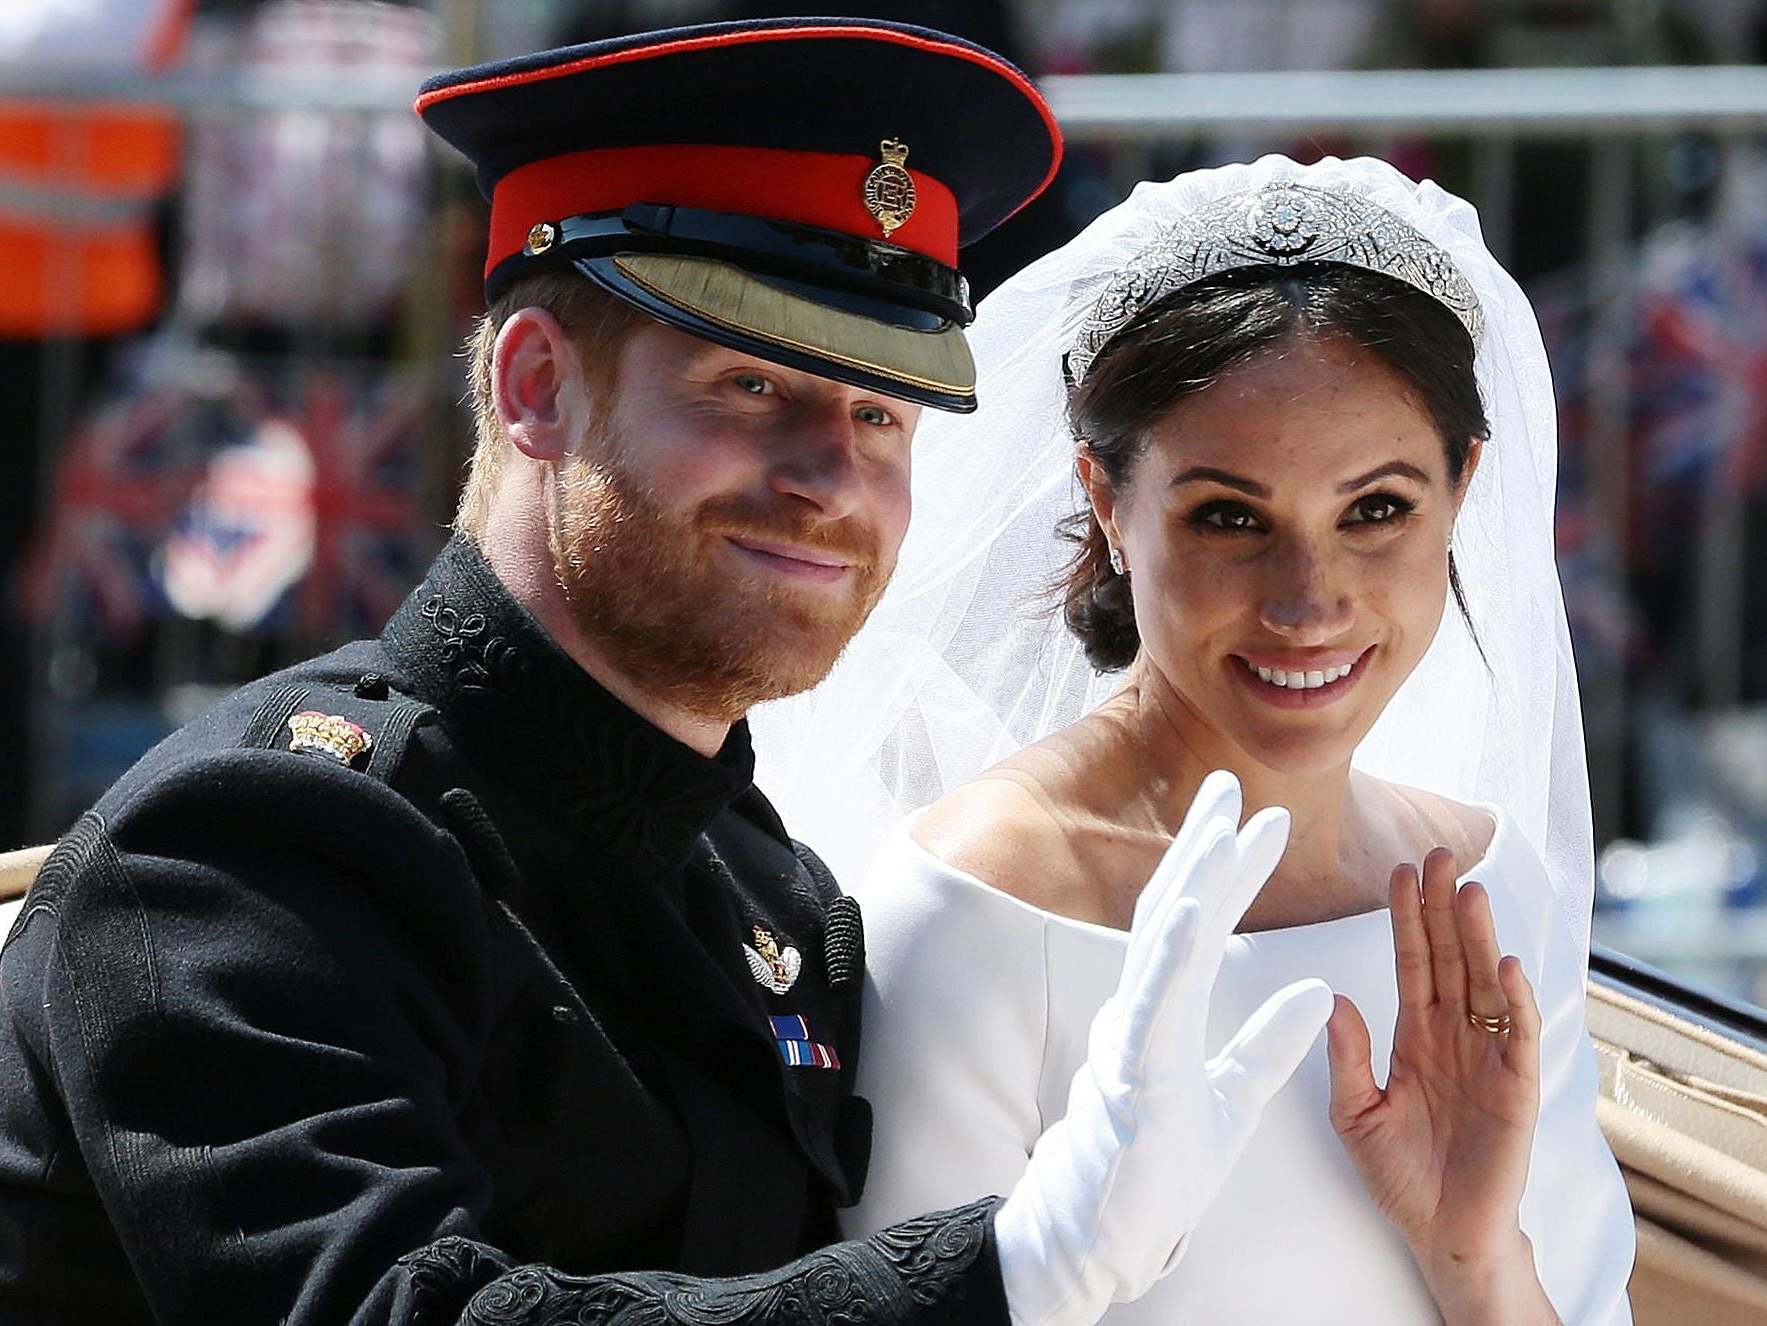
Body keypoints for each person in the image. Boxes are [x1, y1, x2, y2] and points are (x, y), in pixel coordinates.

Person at [0, 21, 1341, 1326]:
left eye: (881, 413)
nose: (832, 479)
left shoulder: (765, 888)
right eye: (752, 386)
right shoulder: (255, 851)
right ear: (533, 385)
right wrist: (1009, 1271)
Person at [754, 154, 1639, 1321]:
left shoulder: (1486, 886)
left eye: (1376, 509)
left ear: (1462, 490)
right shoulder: (982, 902)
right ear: (1109, 503)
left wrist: (1475, 1258)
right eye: (1229, 517)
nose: (1308, 599)